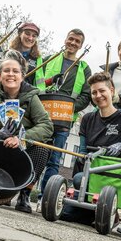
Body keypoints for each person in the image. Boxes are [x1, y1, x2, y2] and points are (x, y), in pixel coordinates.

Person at [0, 50, 54, 213]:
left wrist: (22, 138)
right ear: (0, 74)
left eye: (15, 71)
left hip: (22, 150)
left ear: (22, 75)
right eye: (6, 70)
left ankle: (24, 195)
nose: (11, 74)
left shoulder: (31, 97)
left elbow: (46, 125)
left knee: (43, 148)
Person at [60, 72, 121, 224]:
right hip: (89, 177)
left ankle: (105, 212)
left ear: (111, 91)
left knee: (80, 180)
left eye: (102, 91)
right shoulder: (87, 119)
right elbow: (83, 150)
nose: (98, 95)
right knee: (64, 213)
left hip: (115, 178)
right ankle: (97, 213)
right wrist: (84, 155)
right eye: (94, 92)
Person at [38, 28, 92, 209]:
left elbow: (86, 95)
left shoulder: (84, 69)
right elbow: (36, 84)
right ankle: (24, 194)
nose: (73, 43)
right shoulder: (50, 60)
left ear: (81, 46)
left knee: (54, 159)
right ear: (65, 39)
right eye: (71, 39)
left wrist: (69, 108)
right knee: (36, 155)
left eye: (77, 41)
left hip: (64, 120)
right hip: (42, 116)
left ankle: (43, 199)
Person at [9, 22, 45, 90]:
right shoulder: (10, 53)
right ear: (20, 34)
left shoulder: (38, 58)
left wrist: (41, 94)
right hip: (10, 93)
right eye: (27, 34)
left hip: (29, 95)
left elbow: (40, 80)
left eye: (34, 36)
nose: (30, 38)